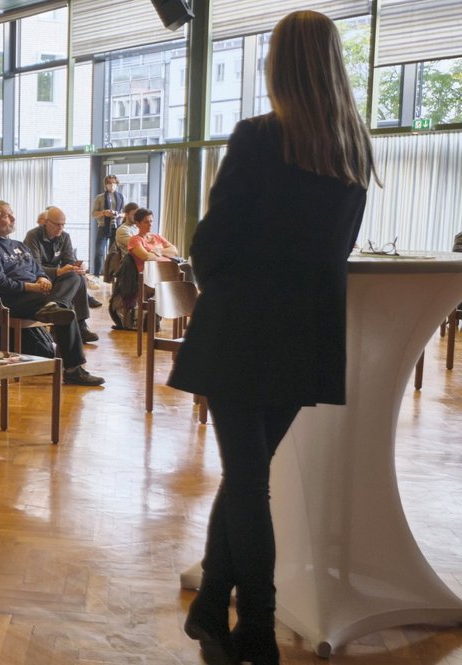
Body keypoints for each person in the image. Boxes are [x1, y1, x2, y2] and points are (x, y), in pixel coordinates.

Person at [168, 11, 376, 665]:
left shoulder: (260, 136)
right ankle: (210, 607)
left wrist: (222, 270)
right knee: (246, 476)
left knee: (247, 480)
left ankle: (255, 625)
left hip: (238, 333)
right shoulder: (353, 150)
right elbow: (333, 253)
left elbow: (211, 244)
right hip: (305, 338)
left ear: (278, 64)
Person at [0, 200, 105, 386]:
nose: (12, 218)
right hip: (10, 300)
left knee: (73, 278)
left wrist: (42, 278)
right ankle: (74, 369)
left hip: (36, 296)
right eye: (6, 215)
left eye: (11, 213)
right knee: (65, 311)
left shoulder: (19, 245)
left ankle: (55, 305)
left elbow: (37, 269)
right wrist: (30, 287)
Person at [24, 207, 98, 343]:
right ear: (46, 222)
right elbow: (34, 267)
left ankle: (66, 314)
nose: (61, 228)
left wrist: (77, 268)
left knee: (78, 277)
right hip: (39, 277)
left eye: (63, 224)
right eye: (57, 224)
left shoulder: (65, 237)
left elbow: (69, 261)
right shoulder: (33, 236)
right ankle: (74, 325)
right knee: (76, 280)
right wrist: (58, 271)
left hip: (59, 276)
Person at [90, 175, 124, 277]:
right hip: (103, 227)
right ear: (105, 184)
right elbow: (94, 214)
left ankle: (110, 275)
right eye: (109, 183)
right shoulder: (100, 198)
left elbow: (125, 213)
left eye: (114, 183)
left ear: (117, 184)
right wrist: (104, 212)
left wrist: (118, 214)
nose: (112, 185)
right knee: (99, 253)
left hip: (116, 227)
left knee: (113, 253)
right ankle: (96, 275)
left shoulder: (121, 197)